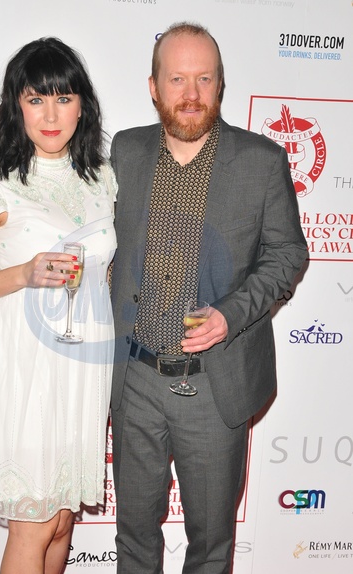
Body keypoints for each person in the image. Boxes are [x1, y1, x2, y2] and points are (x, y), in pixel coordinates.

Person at [109, 22, 307, 573]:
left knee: (212, 547)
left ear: (221, 84)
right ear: (154, 86)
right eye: (177, 79)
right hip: (135, 381)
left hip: (215, 385)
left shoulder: (261, 161)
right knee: (133, 541)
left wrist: (231, 314)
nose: (192, 94)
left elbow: (288, 254)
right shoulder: (125, 152)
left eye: (204, 79)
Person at [0, 37, 117, 574]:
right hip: (26, 369)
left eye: (63, 98)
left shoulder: (103, 178)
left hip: (84, 367)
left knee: (62, 522)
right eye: (36, 99)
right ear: (16, 106)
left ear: (82, 105)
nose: (51, 114)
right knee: (35, 523)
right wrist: (22, 273)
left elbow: (106, 271)